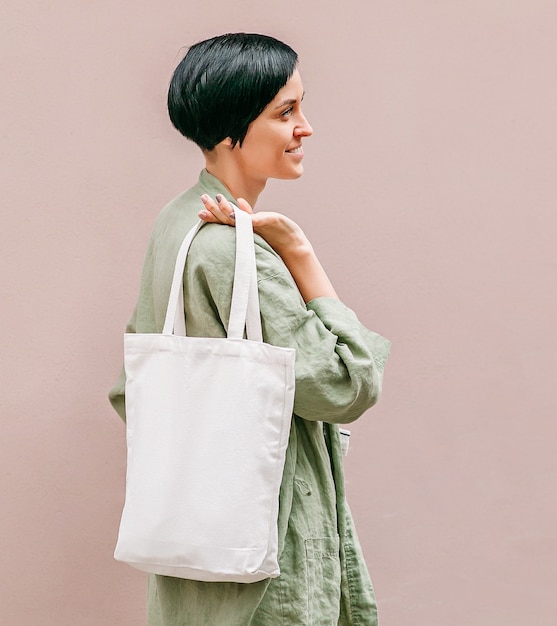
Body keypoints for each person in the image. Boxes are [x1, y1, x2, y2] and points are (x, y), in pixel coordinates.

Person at [109, 33, 391, 626]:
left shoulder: (176, 222)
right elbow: (346, 386)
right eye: (285, 112)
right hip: (267, 562)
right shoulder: (237, 251)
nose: (305, 128)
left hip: (198, 560)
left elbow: (131, 387)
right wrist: (301, 253)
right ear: (230, 129)